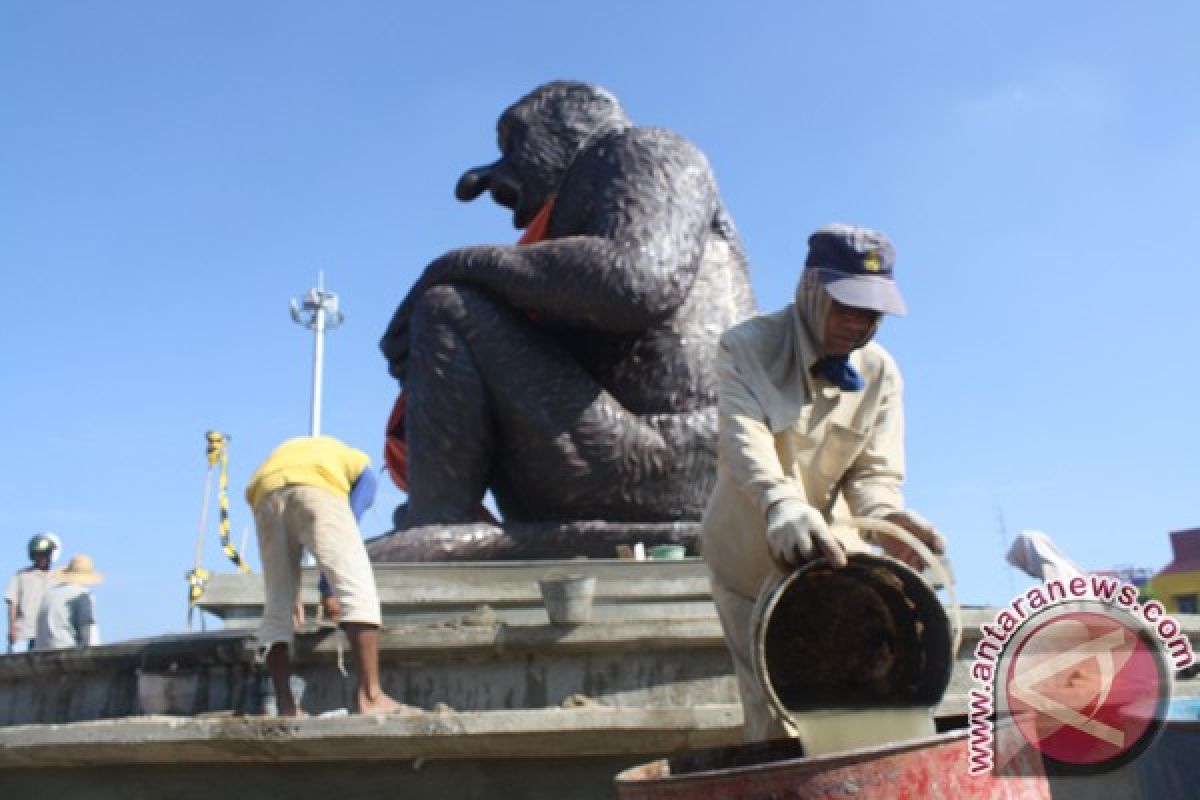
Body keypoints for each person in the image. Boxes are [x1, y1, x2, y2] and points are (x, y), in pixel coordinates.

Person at [701, 223, 947, 742]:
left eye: (870, 313)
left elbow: (874, 474)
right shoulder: (747, 348)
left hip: (838, 565)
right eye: (845, 306)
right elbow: (746, 447)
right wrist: (781, 507)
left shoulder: (879, 374)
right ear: (810, 289)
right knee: (778, 724)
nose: (855, 324)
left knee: (866, 705)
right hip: (750, 564)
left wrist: (888, 520)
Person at [245, 435, 410, 717]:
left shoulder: (305, 451)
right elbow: (350, 521)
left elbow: (288, 513)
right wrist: (328, 591)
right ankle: (371, 697)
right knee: (357, 588)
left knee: (277, 607)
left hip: (265, 490)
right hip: (316, 485)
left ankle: (286, 706)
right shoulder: (364, 470)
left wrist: (293, 592)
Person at [5, 533, 60, 653]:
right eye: (38, 555)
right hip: (24, 633)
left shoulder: (58, 577)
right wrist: (12, 628)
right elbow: (12, 603)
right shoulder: (21, 575)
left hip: (49, 634)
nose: (41, 558)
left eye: (44, 554)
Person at [34, 553, 103, 650]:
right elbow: (90, 633)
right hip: (66, 654)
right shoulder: (82, 595)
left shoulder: (49, 593)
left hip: (40, 655)